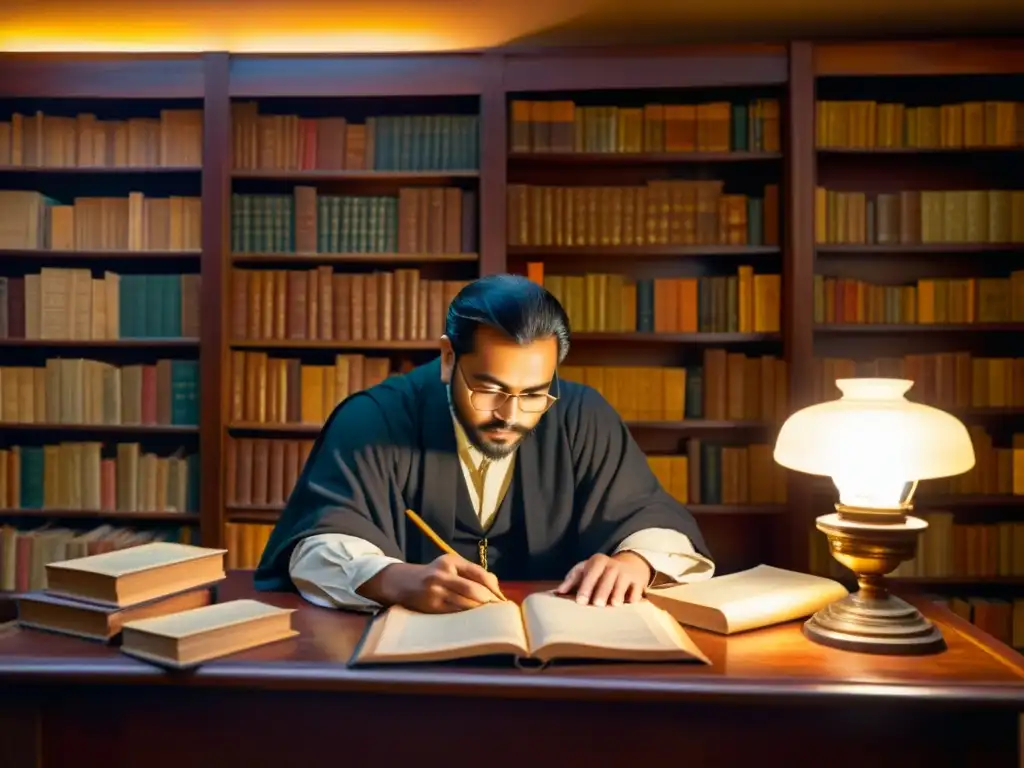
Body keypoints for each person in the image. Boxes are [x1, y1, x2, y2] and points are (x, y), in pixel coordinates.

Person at [254, 274, 714, 613]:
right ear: (448, 358)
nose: (511, 415)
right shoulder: (374, 419)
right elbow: (316, 544)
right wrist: (392, 579)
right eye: (490, 390)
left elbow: (653, 518)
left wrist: (635, 561)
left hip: (557, 664)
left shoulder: (581, 415)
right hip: (412, 671)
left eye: (534, 393)